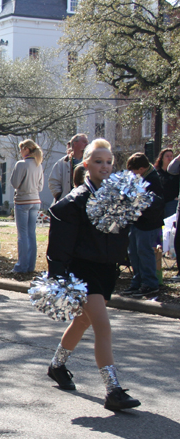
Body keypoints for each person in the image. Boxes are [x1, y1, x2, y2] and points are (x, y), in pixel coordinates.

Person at [45, 138, 141, 411]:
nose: (105, 166)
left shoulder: (118, 194)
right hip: (82, 269)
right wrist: (59, 276)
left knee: (82, 322)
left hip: (105, 268)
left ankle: (57, 365)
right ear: (86, 164)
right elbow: (60, 242)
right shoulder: (75, 200)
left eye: (109, 161)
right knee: (102, 325)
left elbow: (145, 216)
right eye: (98, 161)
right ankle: (113, 390)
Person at [120, 153, 164, 298]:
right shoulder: (140, 178)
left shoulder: (153, 179)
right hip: (137, 222)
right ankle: (138, 280)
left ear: (141, 168)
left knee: (144, 252)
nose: (132, 173)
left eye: (133, 170)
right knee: (134, 252)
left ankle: (150, 283)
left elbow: (154, 203)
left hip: (148, 223)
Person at [10, 139, 44, 274]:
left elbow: (14, 183)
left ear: (26, 149)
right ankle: (30, 265)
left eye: (21, 149)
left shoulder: (22, 164)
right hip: (35, 200)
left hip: (23, 201)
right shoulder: (38, 164)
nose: (20, 152)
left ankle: (22, 266)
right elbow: (41, 186)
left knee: (22, 235)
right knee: (31, 234)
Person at [49, 133, 88, 203]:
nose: (87, 144)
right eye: (84, 142)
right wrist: (59, 196)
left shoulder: (89, 162)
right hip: (67, 202)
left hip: (84, 201)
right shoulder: (62, 162)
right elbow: (53, 181)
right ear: (75, 144)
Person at [154, 148, 178, 219]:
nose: (170, 158)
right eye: (167, 156)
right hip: (160, 204)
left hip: (171, 203)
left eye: (171, 156)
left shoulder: (176, 173)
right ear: (162, 158)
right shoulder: (157, 172)